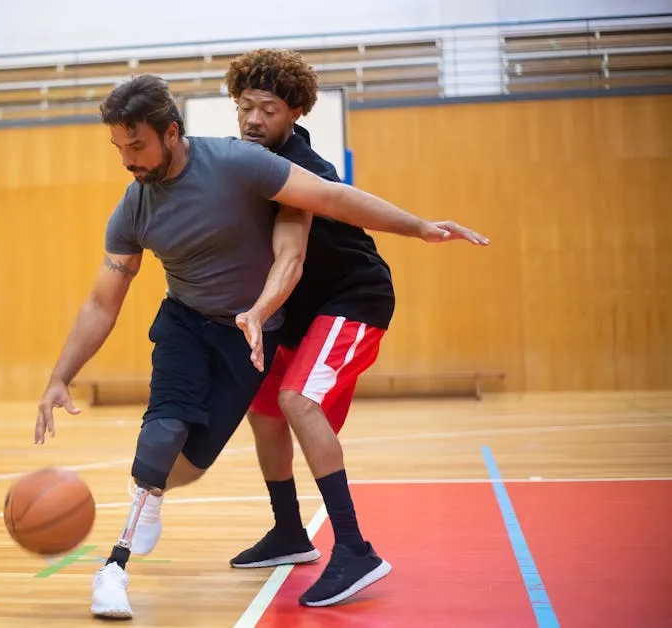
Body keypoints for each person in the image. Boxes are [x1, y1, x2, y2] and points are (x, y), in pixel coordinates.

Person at [33, 73, 489, 620]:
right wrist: (61, 374)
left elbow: (332, 202)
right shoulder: (133, 209)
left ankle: (347, 548)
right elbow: (101, 302)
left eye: (137, 146)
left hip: (268, 324)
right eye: (119, 148)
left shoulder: (243, 165)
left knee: (206, 454)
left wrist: (419, 227)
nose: (127, 159)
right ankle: (119, 565)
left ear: (171, 133)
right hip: (185, 322)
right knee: (172, 426)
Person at [223, 48, 402, 607]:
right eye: (246, 106)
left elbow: (293, 257)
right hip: (300, 313)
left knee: (300, 400)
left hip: (353, 299)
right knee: (264, 409)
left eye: (268, 109)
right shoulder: (244, 161)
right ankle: (289, 532)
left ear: (295, 112)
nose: (254, 119)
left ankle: (354, 549)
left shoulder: (300, 170)